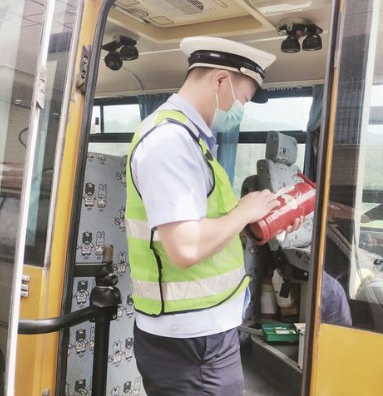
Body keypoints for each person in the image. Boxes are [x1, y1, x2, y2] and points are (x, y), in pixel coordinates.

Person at [125, 36, 303, 396]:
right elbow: (185, 248)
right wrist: (244, 211)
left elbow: (202, 228)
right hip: (190, 341)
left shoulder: (191, 141)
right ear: (221, 81)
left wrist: (259, 222)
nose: (242, 110)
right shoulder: (169, 141)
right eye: (245, 99)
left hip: (203, 332)